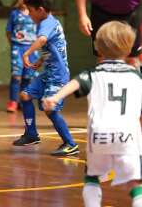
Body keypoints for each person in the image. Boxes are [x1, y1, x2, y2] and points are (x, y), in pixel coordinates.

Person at [43, 21, 142, 207]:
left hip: (99, 135)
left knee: (92, 177)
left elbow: (75, 83)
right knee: (135, 183)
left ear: (98, 48)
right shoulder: (136, 76)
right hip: (128, 136)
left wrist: (54, 98)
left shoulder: (93, 74)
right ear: (129, 48)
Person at [12, 0, 78, 156]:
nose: (28, 14)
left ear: (40, 10)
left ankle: (70, 144)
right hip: (49, 72)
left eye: (31, 11)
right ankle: (31, 134)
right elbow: (54, 47)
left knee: (50, 108)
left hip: (58, 75)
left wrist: (27, 53)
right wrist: (41, 61)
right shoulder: (48, 22)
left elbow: (42, 40)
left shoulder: (47, 23)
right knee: (25, 96)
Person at [5, 0, 38, 113]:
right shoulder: (14, 14)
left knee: (28, 77)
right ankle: (13, 101)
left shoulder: (35, 13)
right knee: (16, 76)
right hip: (18, 49)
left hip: (31, 50)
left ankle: (24, 100)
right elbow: (8, 31)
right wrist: (13, 45)